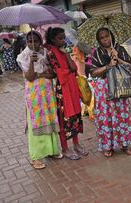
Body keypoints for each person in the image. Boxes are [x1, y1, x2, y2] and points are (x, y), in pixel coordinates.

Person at [17, 31, 62, 169]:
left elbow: (52, 74)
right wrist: (32, 62)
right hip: (34, 95)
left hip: (47, 92)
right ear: (26, 42)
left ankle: (51, 150)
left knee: (49, 119)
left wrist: (40, 74)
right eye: (30, 41)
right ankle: (35, 157)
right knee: (36, 122)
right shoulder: (22, 57)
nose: (33, 44)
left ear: (40, 42)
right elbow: (30, 77)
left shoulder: (44, 54)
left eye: (36, 41)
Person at [44, 27, 88, 160]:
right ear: (53, 39)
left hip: (72, 87)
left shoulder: (64, 51)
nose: (63, 41)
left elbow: (74, 68)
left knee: (75, 115)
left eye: (64, 38)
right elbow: (60, 73)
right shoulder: (51, 53)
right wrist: (68, 69)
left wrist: (67, 54)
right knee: (64, 119)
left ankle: (76, 144)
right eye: (60, 38)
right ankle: (65, 148)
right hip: (62, 90)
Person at [90, 27, 131, 157]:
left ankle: (125, 144)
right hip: (104, 89)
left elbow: (130, 66)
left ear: (111, 36)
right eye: (102, 38)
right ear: (99, 40)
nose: (105, 39)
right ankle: (107, 146)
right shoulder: (97, 53)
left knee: (122, 115)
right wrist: (109, 65)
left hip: (120, 86)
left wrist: (118, 59)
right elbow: (93, 72)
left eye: (107, 36)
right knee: (107, 117)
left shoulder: (119, 49)